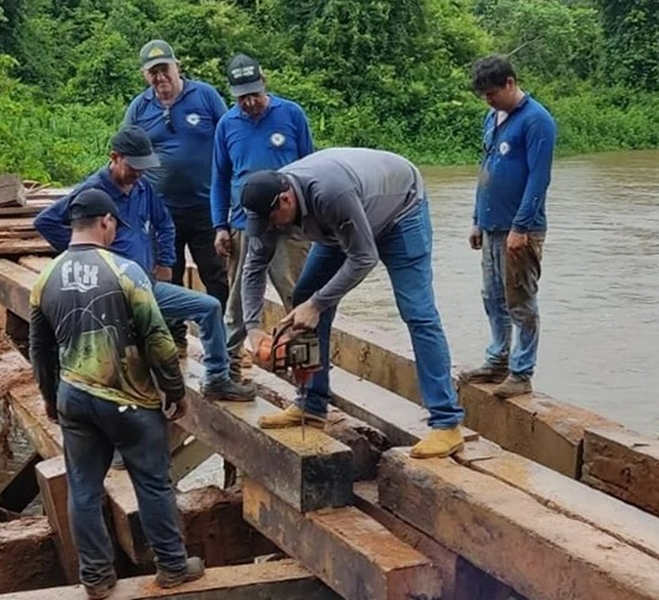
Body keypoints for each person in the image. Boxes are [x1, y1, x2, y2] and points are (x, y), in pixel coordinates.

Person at [28, 188, 205, 598]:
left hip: (74, 397)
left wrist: (50, 398)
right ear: (107, 223)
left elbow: (40, 349)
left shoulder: (45, 278)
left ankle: (96, 578)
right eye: (113, 225)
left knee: (84, 489)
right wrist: (174, 391)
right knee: (153, 483)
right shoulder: (126, 271)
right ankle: (173, 568)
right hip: (129, 401)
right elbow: (158, 339)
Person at [241, 148, 467, 459]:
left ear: (286, 200)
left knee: (418, 312)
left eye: (272, 220)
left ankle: (446, 424)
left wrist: (317, 304)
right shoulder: (268, 215)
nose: (271, 229)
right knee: (304, 297)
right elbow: (253, 269)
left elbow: (364, 258)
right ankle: (311, 403)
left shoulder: (330, 193)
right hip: (344, 224)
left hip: (400, 212)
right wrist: (253, 328)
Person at [33, 125, 255, 404]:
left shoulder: (142, 187)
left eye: (144, 166)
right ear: (115, 157)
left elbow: (164, 222)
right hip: (109, 293)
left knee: (208, 307)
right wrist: (83, 253)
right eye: (133, 166)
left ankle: (217, 378)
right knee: (139, 349)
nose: (139, 173)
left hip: (144, 285)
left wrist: (165, 260)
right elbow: (46, 221)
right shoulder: (92, 192)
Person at [123, 39, 230, 358]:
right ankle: (175, 338)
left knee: (216, 275)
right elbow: (126, 152)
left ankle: (223, 341)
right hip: (161, 213)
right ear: (145, 75)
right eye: (152, 72)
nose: (160, 77)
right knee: (168, 275)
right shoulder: (140, 108)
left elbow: (229, 137)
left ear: (176, 66)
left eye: (164, 69)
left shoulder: (205, 96)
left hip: (207, 208)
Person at [458, 55, 557, 399]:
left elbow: (539, 179)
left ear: (511, 84)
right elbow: (486, 168)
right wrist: (476, 219)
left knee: (520, 299)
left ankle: (521, 371)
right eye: (483, 95)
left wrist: (521, 226)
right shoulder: (492, 117)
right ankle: (498, 359)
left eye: (492, 93)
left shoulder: (537, 121)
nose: (488, 100)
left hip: (520, 229)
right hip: (492, 225)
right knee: (493, 297)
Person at [210, 53, 314, 381]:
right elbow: (219, 178)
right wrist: (220, 226)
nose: (250, 102)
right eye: (243, 97)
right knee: (239, 298)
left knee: (296, 293)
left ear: (264, 81)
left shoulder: (291, 114)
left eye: (254, 94)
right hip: (246, 224)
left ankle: (306, 369)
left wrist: (311, 222)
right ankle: (228, 366)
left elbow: (311, 167)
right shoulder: (227, 124)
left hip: (290, 223)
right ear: (233, 94)